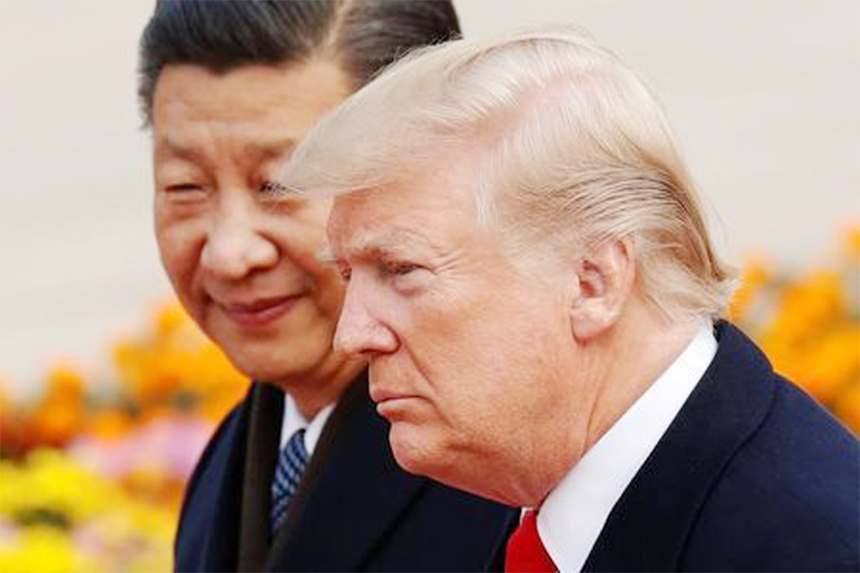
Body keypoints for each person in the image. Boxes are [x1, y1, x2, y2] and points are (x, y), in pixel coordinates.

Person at [279, 27, 860, 572]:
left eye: (401, 270)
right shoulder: (537, 491)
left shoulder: (811, 547)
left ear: (593, 282)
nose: (351, 335)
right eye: (349, 276)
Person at [137, 2, 518, 571]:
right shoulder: (229, 463)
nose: (229, 254)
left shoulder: (511, 472)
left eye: (278, 184)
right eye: (186, 186)